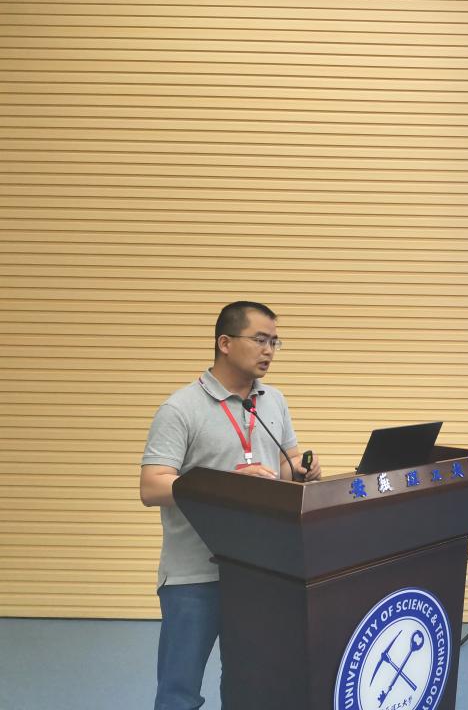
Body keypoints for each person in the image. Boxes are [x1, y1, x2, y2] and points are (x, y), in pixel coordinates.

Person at [139, 301, 321, 710]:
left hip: (258, 570)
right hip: (194, 574)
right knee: (180, 691)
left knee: (250, 685)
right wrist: (228, 486)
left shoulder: (273, 400)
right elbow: (151, 486)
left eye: (275, 342)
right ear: (225, 343)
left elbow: (286, 464)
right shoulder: (180, 408)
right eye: (260, 339)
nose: (269, 350)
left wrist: (301, 470)